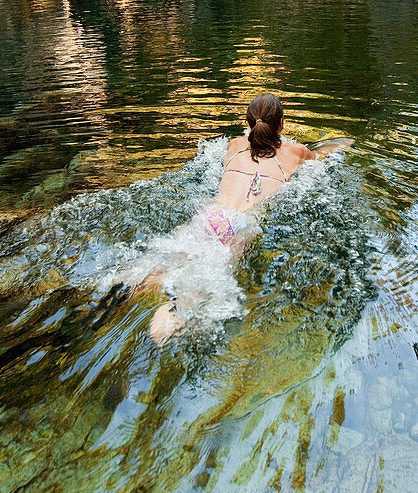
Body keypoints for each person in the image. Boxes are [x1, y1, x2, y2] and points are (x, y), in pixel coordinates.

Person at [144, 93, 352, 345]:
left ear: (248, 122)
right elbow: (321, 156)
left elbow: (250, 150)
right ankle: (163, 330)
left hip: (210, 216)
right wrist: (343, 144)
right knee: (191, 298)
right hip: (238, 226)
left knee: (163, 265)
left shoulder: (233, 145)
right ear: (282, 123)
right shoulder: (296, 151)